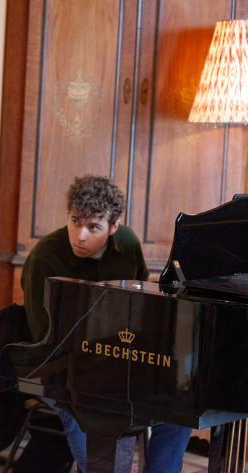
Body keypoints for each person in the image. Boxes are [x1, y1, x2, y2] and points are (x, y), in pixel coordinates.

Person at [20, 175, 191, 473]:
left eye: (93, 227)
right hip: (61, 367)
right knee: (91, 416)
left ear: (114, 227)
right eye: (75, 221)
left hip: (119, 359)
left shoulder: (127, 245)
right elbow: (43, 337)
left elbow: (143, 310)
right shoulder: (45, 257)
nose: (80, 235)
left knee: (179, 409)